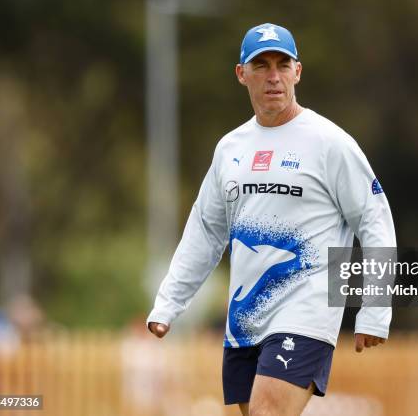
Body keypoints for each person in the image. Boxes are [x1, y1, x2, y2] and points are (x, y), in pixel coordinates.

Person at [147, 22, 396, 416]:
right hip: (244, 319)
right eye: (261, 65)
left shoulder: (330, 143)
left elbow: (375, 221)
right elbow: (206, 233)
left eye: (283, 64)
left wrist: (376, 309)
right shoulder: (230, 149)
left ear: (298, 71)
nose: (273, 76)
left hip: (307, 312)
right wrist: (167, 304)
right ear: (241, 74)